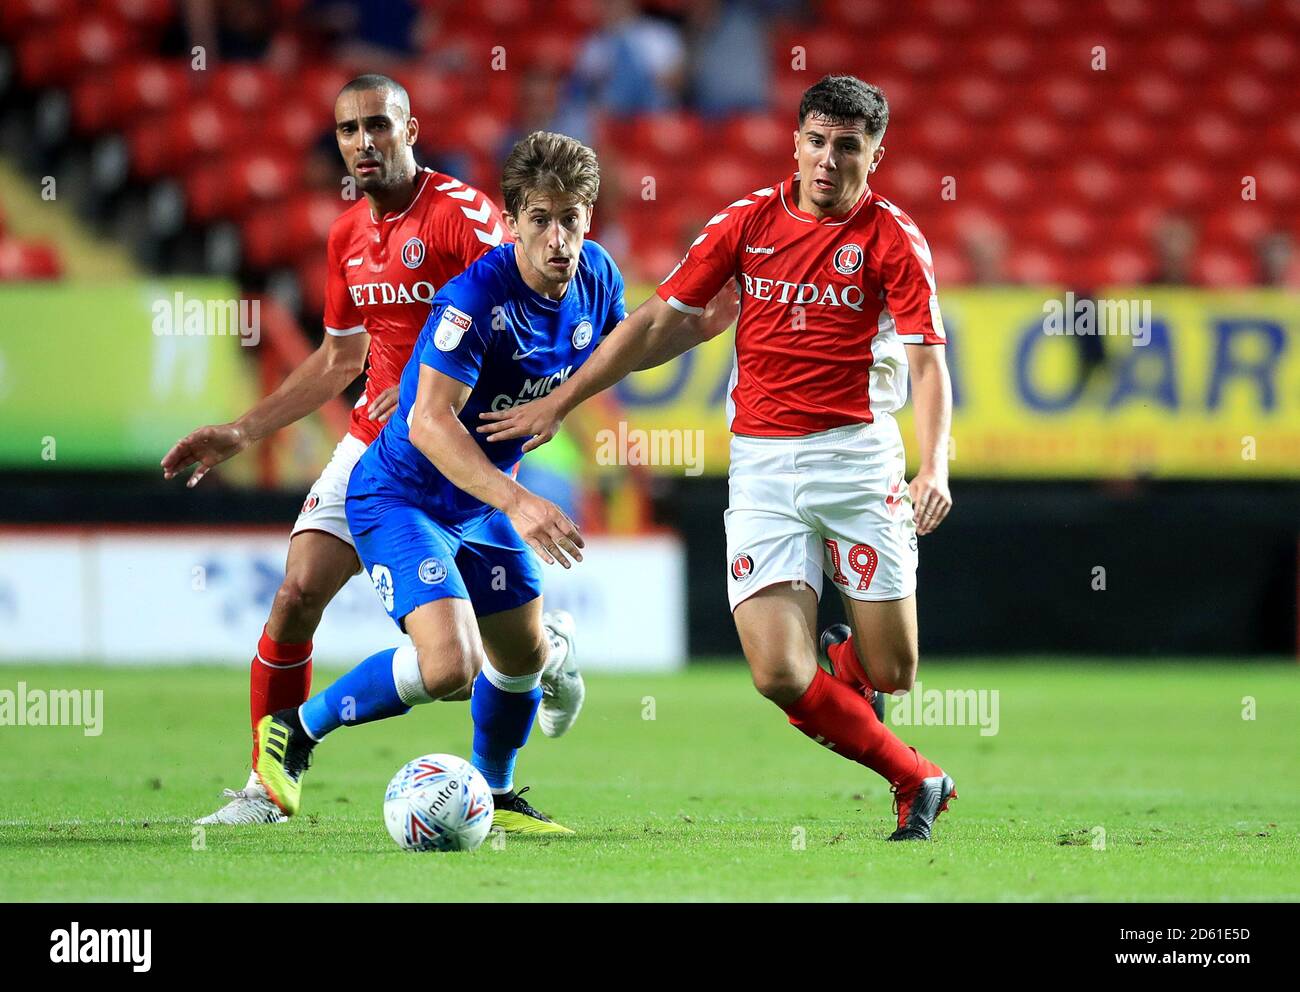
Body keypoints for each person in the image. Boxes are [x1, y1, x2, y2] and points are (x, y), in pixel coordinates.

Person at [479, 75, 959, 841]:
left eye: (847, 146)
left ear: (876, 153)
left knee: (894, 673)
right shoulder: (745, 223)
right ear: (795, 142)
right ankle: (915, 777)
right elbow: (657, 323)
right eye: (815, 141)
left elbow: (931, 365)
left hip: (859, 461)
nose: (828, 160)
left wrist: (931, 467)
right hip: (764, 466)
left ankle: (856, 672)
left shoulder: (892, 238)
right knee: (777, 673)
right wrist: (562, 398)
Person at [251, 130, 740, 832]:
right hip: (402, 495)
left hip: (477, 506)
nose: (558, 238)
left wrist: (701, 326)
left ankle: (498, 793)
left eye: (571, 219)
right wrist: (520, 500)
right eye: (540, 219)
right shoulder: (475, 299)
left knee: (523, 658)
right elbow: (427, 422)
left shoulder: (596, 275)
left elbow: (624, 348)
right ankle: (296, 729)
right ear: (511, 223)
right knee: (451, 666)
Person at [162, 74, 578, 827]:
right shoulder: (347, 233)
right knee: (297, 593)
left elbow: (511, 305)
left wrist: (432, 386)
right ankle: (269, 787)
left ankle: (512, 744)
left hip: (449, 446)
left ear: (410, 128)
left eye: (378, 126)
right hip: (372, 449)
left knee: (484, 662)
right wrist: (241, 432)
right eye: (349, 130)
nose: (363, 142)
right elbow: (337, 358)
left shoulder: (463, 218)